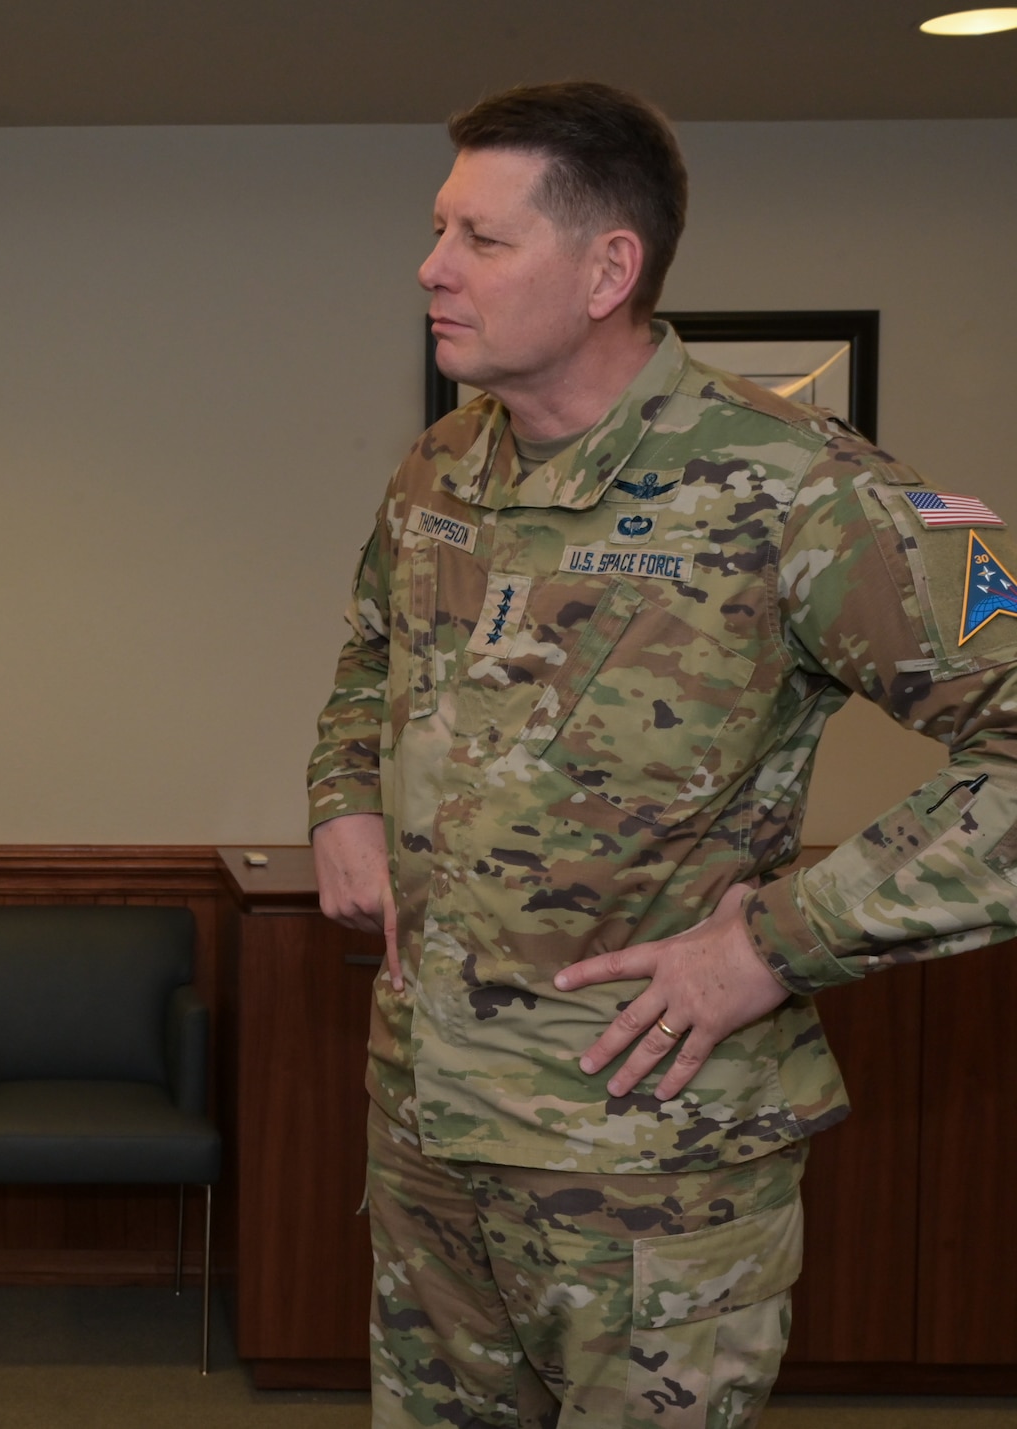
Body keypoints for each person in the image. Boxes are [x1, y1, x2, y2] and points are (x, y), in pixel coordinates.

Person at [308, 81, 1017, 1428]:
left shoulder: (809, 491)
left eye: (481, 237)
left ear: (607, 268)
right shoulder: (442, 467)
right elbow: (368, 660)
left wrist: (775, 942)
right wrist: (341, 795)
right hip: (431, 1130)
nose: (431, 266)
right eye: (436, 228)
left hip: (650, 1173)